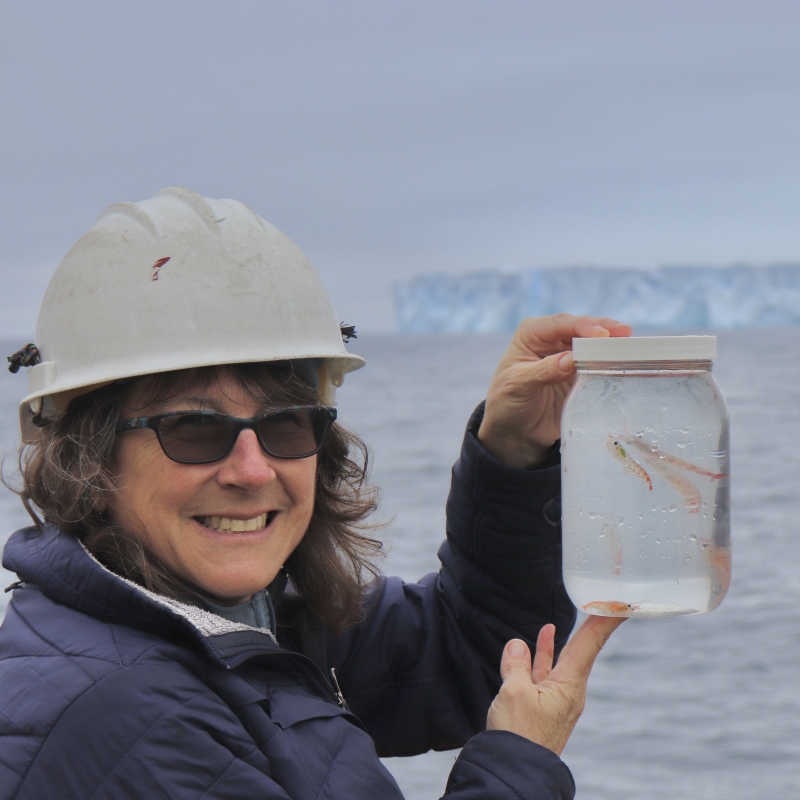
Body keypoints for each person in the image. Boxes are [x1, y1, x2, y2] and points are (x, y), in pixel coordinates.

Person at [0, 187, 630, 800]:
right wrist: (522, 765)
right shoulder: (132, 722)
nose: (251, 471)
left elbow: (467, 652)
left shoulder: (244, 626)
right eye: (193, 429)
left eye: (283, 423)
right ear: (89, 458)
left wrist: (513, 454)